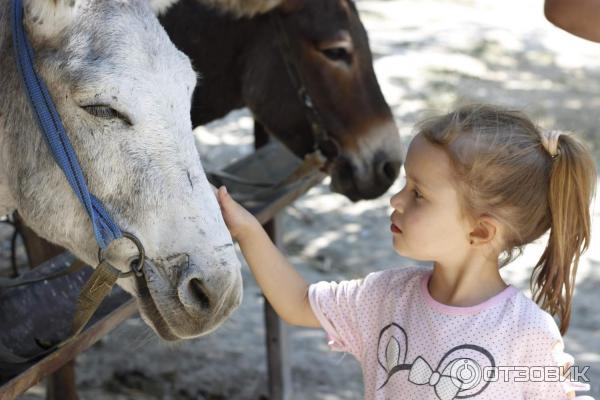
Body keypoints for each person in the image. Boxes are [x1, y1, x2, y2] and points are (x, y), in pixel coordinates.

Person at [216, 104, 597, 399]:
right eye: (405, 185)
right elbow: (298, 302)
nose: (396, 200)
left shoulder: (526, 332)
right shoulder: (383, 298)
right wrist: (248, 230)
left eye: (418, 193)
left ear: (480, 230)